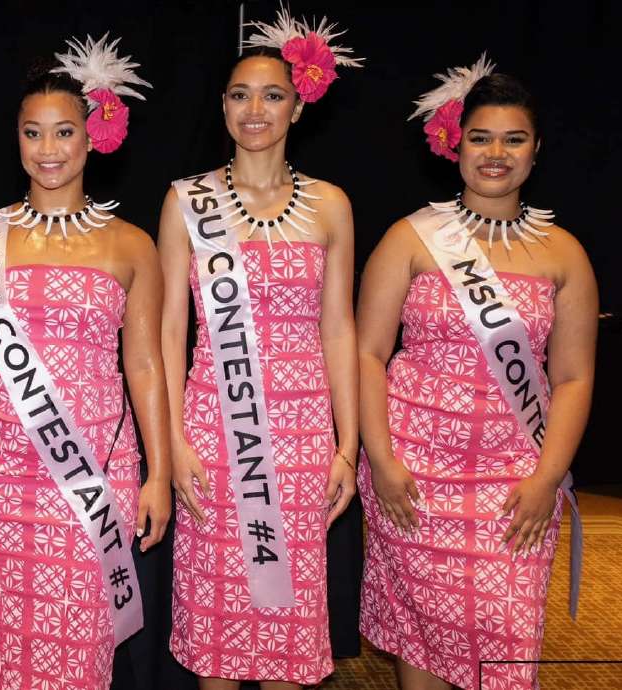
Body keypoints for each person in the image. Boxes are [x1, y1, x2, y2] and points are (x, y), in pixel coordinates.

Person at [0, 34, 172, 690]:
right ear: (17, 140)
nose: (49, 149)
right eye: (33, 133)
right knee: (1, 653)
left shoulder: (131, 245)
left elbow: (145, 365)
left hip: (92, 473)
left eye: (64, 132)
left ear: (93, 139)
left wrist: (159, 474)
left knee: (80, 652)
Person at [356, 55, 596, 690]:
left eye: (514, 139)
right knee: (424, 643)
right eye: (481, 137)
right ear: (453, 144)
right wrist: (380, 460)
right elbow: (368, 353)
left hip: (516, 483)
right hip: (414, 476)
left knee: (509, 641)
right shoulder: (410, 239)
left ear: (536, 150)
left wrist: (547, 479)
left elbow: (573, 378)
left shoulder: (564, 253)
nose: (497, 152)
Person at [161, 8, 362, 689]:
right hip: (213, 432)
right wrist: (174, 444)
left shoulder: (331, 204)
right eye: (241, 94)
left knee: (286, 626)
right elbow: (166, 329)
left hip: (304, 437)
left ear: (297, 107)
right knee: (216, 624)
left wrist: (346, 443)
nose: (255, 109)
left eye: (272, 94)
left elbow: (339, 330)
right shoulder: (186, 201)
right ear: (222, 106)